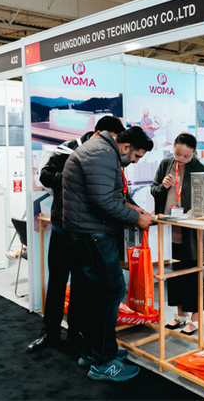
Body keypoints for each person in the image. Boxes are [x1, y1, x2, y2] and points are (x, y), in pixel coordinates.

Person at [62, 126, 156, 382]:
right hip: (93, 233)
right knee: (112, 291)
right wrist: (136, 218)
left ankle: (94, 352)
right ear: (126, 147)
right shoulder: (102, 154)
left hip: (87, 231)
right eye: (136, 156)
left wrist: (135, 209)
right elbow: (103, 200)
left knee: (97, 294)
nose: (135, 162)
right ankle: (103, 360)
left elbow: (111, 194)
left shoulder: (101, 151)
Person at [26, 116, 126, 354]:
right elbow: (45, 175)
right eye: (111, 138)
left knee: (82, 285)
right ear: (98, 133)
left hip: (86, 232)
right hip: (62, 226)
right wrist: (74, 177)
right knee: (57, 282)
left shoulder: (107, 156)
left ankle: (75, 334)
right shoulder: (68, 148)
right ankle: (49, 333)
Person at [150, 132, 204, 335]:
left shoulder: (200, 169)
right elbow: (153, 189)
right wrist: (162, 186)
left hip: (190, 232)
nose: (181, 159)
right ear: (173, 148)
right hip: (168, 228)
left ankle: (195, 319)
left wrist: (196, 210)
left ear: (194, 153)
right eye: (178, 154)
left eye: (186, 156)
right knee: (173, 275)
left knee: (193, 274)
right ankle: (180, 315)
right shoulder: (165, 164)